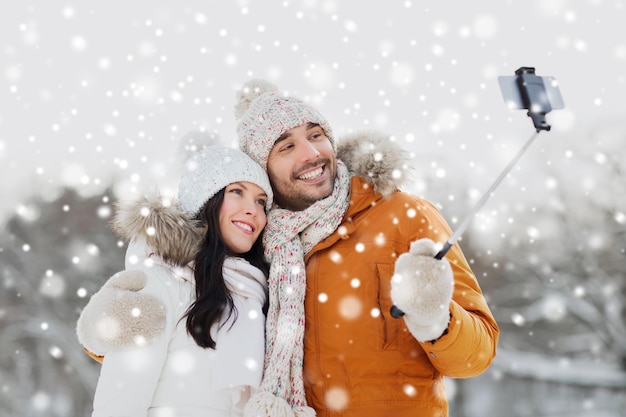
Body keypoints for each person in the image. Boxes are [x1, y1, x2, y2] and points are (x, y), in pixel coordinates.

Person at [233, 80, 500, 417]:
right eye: (286, 147)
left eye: (315, 135)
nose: (311, 154)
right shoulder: (256, 248)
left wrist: (437, 319)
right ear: (263, 169)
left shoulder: (403, 215)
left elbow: (478, 355)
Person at [76, 132, 274, 417]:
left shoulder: (255, 295)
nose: (252, 210)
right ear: (206, 201)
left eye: (261, 202)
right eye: (237, 192)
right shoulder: (158, 283)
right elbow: (119, 405)